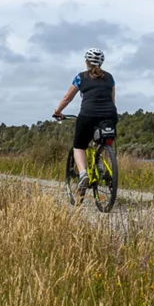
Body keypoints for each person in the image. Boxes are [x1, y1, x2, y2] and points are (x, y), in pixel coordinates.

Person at [53, 48, 118, 198]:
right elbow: (112, 100)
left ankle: (83, 174)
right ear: (101, 62)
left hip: (88, 115)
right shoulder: (110, 78)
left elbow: (67, 98)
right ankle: (101, 167)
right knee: (102, 142)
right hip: (109, 115)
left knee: (79, 146)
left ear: (86, 62)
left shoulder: (80, 77)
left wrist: (58, 111)